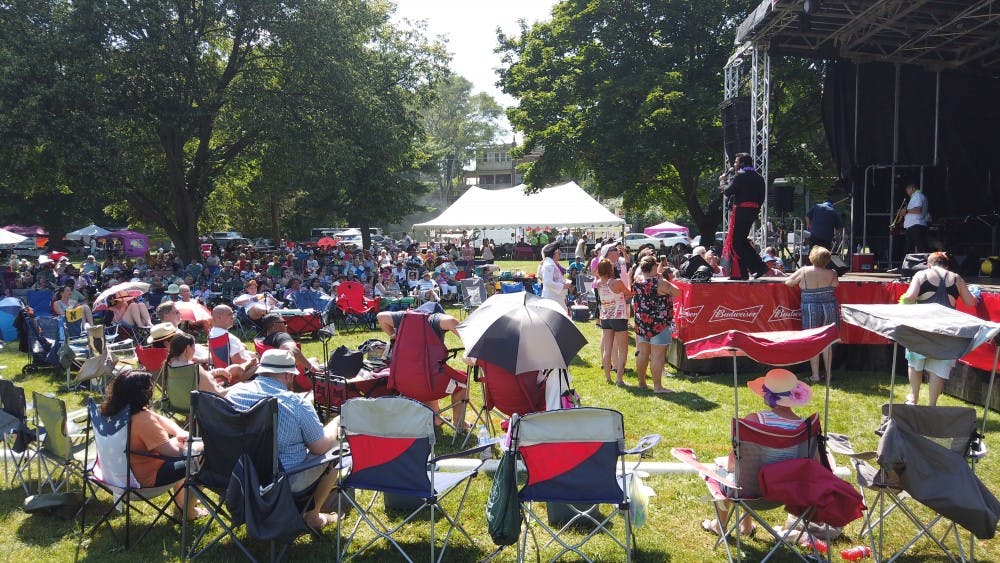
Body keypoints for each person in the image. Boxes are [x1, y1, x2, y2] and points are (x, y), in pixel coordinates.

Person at [226, 349, 342, 530]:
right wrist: (336, 423)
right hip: (282, 482)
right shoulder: (295, 403)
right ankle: (313, 516)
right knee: (337, 450)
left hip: (238, 477)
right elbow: (319, 448)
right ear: (288, 375)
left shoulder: (235, 393)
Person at [701, 368, 815, 538]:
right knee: (755, 471)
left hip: (748, 492)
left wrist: (727, 467)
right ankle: (746, 527)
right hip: (785, 493)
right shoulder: (804, 428)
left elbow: (734, 462)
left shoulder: (755, 421)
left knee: (722, 471)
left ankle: (719, 525)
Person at [99, 369, 206, 520]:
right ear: (142, 394)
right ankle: (188, 512)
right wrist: (195, 445)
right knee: (201, 453)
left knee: (187, 450)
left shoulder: (111, 412)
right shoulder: (143, 420)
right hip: (144, 483)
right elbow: (173, 452)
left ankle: (182, 505)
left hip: (114, 479)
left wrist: (179, 433)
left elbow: (160, 419)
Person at [899, 251, 977, 406]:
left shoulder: (921, 275)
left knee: (915, 364)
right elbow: (970, 302)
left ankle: (913, 398)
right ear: (946, 265)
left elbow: (909, 297)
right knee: (938, 368)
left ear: (929, 264)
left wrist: (901, 304)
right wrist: (977, 295)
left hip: (922, 328)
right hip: (946, 331)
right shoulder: (956, 278)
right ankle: (932, 405)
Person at [376, 303, 469, 429]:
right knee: (463, 381)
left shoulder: (404, 317)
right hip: (428, 386)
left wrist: (393, 335)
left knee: (429, 373)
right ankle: (459, 423)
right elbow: (451, 321)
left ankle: (436, 418)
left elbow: (381, 316)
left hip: (403, 385)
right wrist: (470, 342)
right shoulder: (433, 319)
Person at [785, 246, 839, 383]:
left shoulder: (804, 270)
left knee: (813, 339)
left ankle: (815, 375)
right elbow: (836, 285)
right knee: (828, 341)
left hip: (810, 307)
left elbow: (789, 282)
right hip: (829, 306)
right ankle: (828, 375)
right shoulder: (832, 272)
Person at [632, 256, 679, 393]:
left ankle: (641, 383)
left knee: (642, 353)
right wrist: (663, 278)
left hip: (642, 322)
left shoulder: (638, 280)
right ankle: (658, 387)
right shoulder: (660, 283)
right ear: (653, 267)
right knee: (658, 355)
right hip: (659, 323)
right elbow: (677, 292)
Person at [720, 153, 768, 280]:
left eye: (736, 162)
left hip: (741, 211)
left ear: (741, 163)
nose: (734, 164)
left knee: (736, 243)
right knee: (740, 241)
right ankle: (744, 272)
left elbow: (728, 191)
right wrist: (755, 209)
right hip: (752, 211)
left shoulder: (740, 175)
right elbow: (762, 197)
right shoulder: (759, 178)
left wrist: (722, 182)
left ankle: (757, 267)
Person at [595, 259, 632, 386]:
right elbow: (629, 293)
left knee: (607, 349)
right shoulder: (617, 282)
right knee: (623, 350)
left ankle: (608, 377)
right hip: (619, 317)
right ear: (610, 270)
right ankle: (619, 379)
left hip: (605, 317)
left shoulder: (599, 283)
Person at [165, 332, 229, 395]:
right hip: (202, 403)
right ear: (187, 348)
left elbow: (197, 378)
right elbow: (219, 394)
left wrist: (217, 372)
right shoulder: (195, 369)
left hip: (178, 403)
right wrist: (237, 386)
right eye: (193, 347)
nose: (194, 350)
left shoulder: (169, 365)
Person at [207, 304, 258, 383]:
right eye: (229, 314)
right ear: (219, 317)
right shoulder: (229, 338)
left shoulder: (212, 334)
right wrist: (253, 361)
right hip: (236, 377)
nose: (233, 316)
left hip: (221, 372)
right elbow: (238, 362)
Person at [902, 183, 930, 254]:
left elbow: (918, 210)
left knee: (920, 249)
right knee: (910, 249)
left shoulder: (917, 196)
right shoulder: (917, 196)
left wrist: (906, 211)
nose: (907, 192)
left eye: (907, 190)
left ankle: (924, 263)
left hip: (916, 226)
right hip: (914, 226)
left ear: (912, 188)